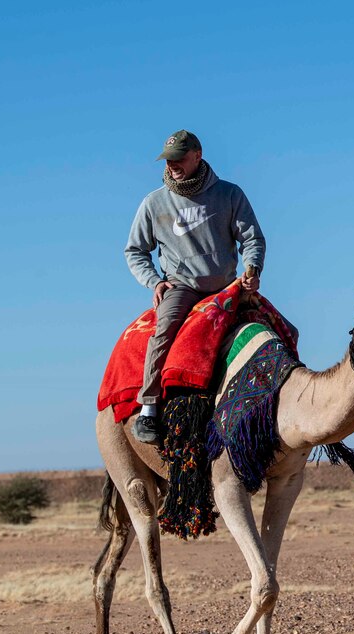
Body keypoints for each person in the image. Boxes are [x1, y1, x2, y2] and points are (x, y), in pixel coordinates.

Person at [124, 129, 265, 444]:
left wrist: (252, 269)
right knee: (164, 328)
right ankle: (148, 408)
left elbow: (252, 237)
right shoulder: (154, 202)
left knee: (280, 329)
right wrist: (154, 281)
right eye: (168, 160)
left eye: (179, 158)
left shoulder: (229, 194)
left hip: (227, 286)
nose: (172, 165)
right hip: (182, 286)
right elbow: (134, 250)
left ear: (197, 156)